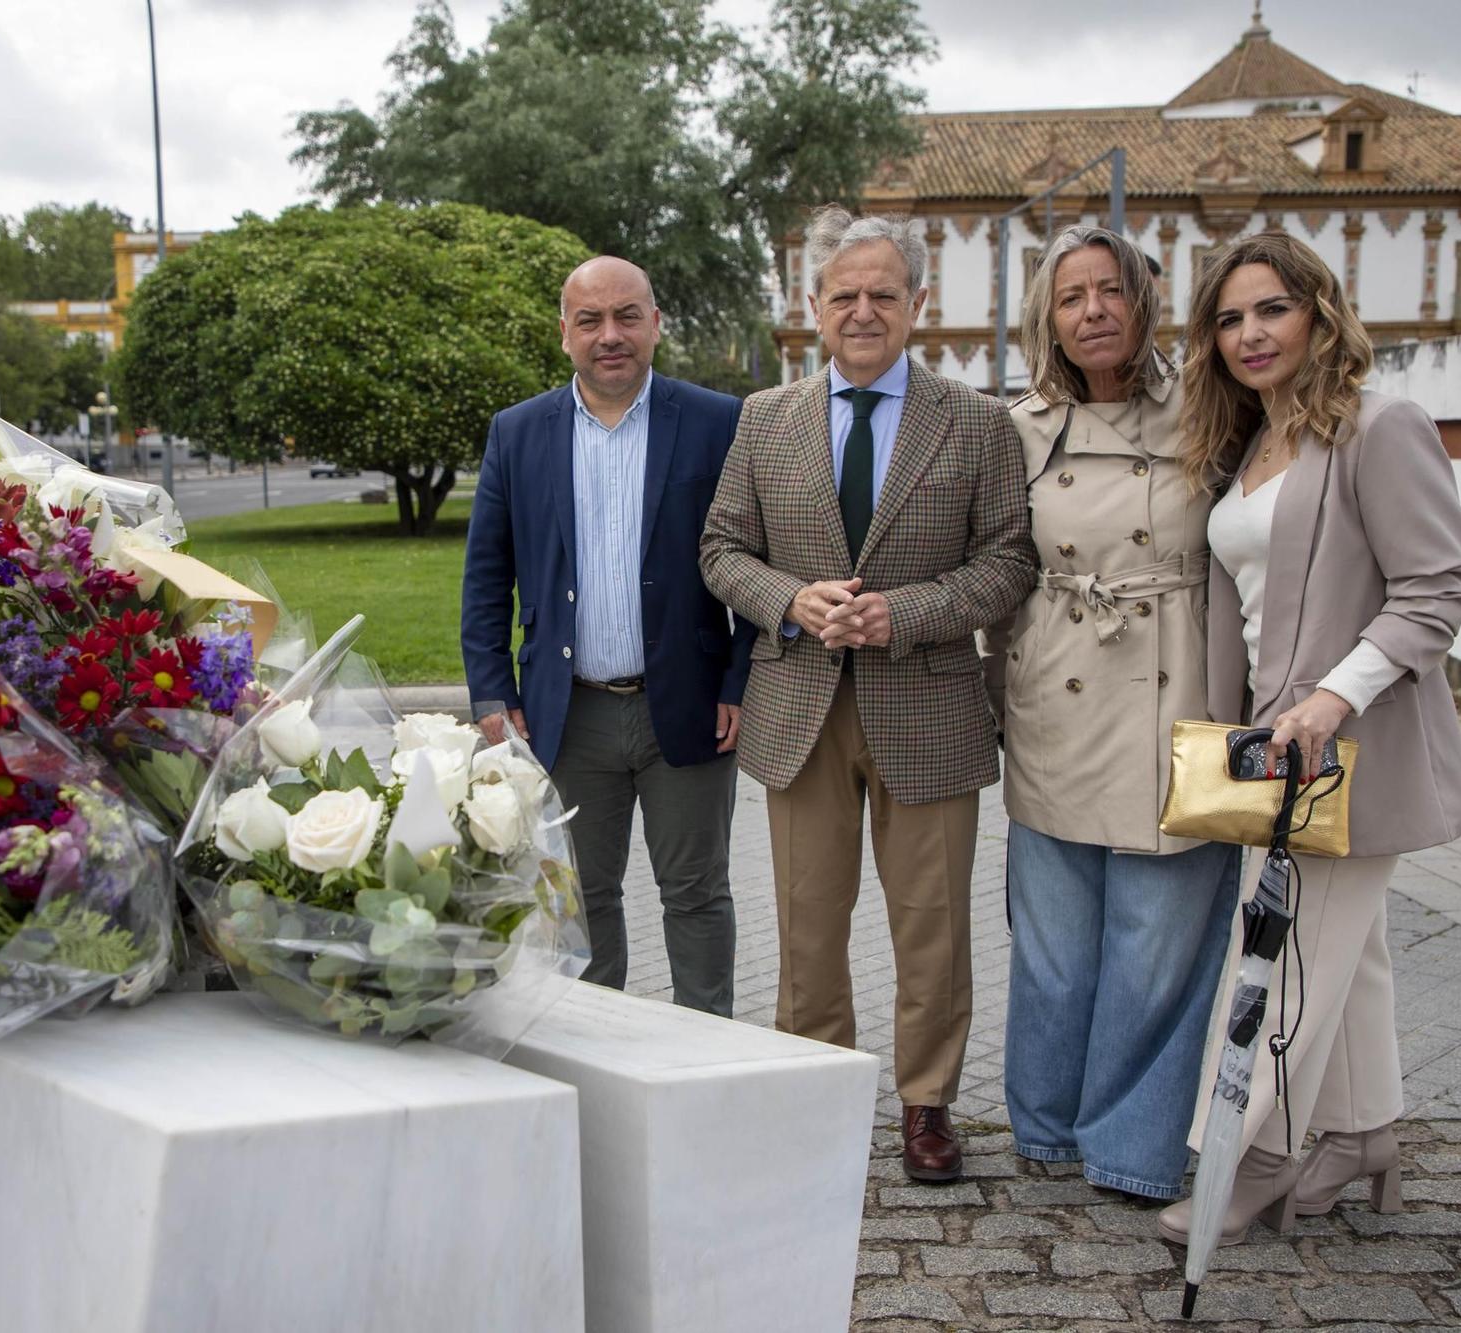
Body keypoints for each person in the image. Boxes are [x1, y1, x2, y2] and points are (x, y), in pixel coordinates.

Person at [699, 207, 1036, 1181]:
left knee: (931, 925)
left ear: (916, 302)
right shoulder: (764, 418)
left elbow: (1008, 561)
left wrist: (905, 613)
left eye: (881, 294)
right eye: (842, 294)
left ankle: (927, 1104)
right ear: (812, 305)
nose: (861, 311)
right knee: (807, 925)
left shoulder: (977, 421)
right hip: (800, 709)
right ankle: (816, 1095)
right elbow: (721, 548)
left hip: (927, 706)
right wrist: (789, 600)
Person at [1156, 230, 1461, 1244]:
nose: (1249, 334)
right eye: (1228, 318)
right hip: (1272, 751)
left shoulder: (1379, 429)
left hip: (1348, 752)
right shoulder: (1249, 444)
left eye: (1272, 309)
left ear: (1319, 314)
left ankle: (1252, 1157)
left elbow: (1436, 590)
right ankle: (1362, 1134)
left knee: (1281, 953)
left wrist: (1335, 697)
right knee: (1349, 952)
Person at [986, 226, 1241, 1202]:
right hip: (1055, 686)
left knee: (1158, 946)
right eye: (1070, 296)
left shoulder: (1211, 409)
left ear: (1144, 300)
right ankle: (1046, 1125)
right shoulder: (1018, 428)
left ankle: (1130, 1146)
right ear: (1045, 319)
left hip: (1181, 689)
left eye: (1111, 290)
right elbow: (996, 568)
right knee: (1053, 946)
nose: (1093, 311)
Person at [461, 255, 754, 1016]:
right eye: (590, 320)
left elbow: (756, 558)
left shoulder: (720, 421)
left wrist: (739, 682)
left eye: (627, 316)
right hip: (566, 714)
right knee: (580, 900)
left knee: (696, 895)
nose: (610, 335)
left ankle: (705, 1054)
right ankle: (597, 1056)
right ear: (565, 332)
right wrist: (491, 693)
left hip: (690, 705)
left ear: (656, 324)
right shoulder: (517, 432)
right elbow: (486, 576)